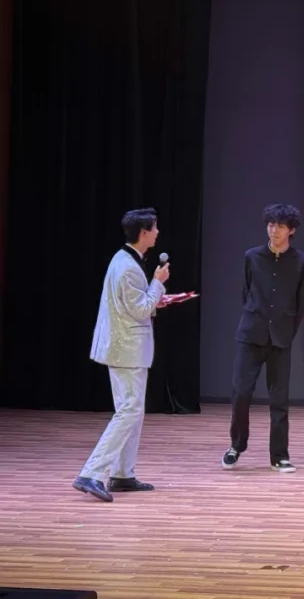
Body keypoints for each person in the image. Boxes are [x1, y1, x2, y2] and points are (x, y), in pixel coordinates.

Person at [73, 208, 170, 502]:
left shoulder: (124, 260)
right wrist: (158, 282)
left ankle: (122, 474)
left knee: (132, 411)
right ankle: (92, 472)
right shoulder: (127, 266)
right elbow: (139, 310)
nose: (157, 233)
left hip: (126, 347)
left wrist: (154, 298)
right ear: (144, 232)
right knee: (129, 410)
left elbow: (134, 304)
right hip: (126, 349)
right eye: (154, 228)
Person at [221, 204, 304, 473]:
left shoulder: (301, 262)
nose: (274, 230)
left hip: (280, 338)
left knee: (279, 400)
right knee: (241, 392)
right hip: (251, 334)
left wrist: (286, 332)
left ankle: (279, 456)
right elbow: (246, 292)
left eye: (280, 226)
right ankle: (236, 445)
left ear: (291, 230)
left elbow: (301, 304)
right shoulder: (252, 256)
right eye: (271, 225)